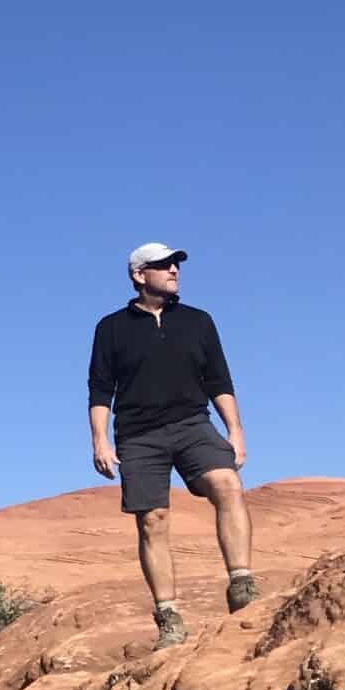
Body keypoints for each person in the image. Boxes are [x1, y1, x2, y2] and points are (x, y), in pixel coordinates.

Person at [87, 242, 254, 649]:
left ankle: (242, 584)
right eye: (163, 266)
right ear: (139, 276)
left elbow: (219, 380)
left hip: (193, 423)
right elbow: (99, 389)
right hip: (139, 435)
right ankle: (168, 616)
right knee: (153, 520)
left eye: (176, 264)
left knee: (228, 486)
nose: (174, 271)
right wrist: (100, 441)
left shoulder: (199, 321)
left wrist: (235, 430)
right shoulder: (111, 327)